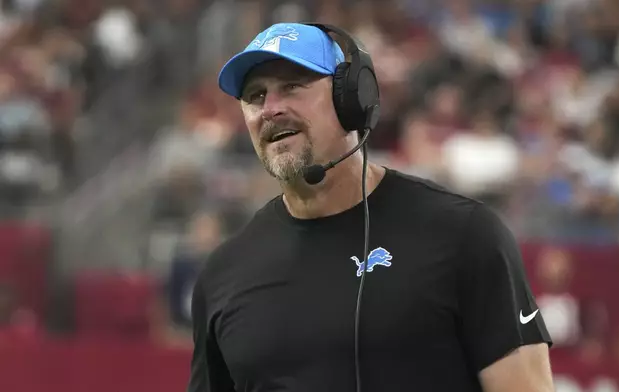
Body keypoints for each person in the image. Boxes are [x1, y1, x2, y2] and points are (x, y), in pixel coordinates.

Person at [187, 22, 554, 392]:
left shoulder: (464, 236)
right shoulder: (223, 275)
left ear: (351, 97)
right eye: (255, 96)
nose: (271, 109)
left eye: (292, 86)